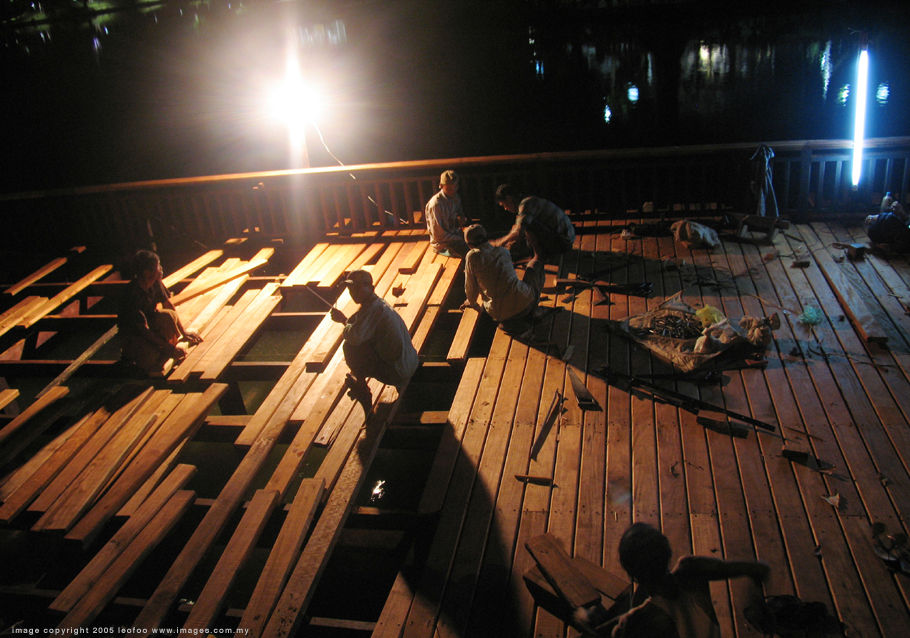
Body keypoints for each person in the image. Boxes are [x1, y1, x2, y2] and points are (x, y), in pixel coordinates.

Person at [610, 522, 769, 638]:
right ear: (667, 552)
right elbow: (755, 568)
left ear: (632, 574)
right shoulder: (692, 570)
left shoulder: (636, 621)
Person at [330, 269, 418, 405]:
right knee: (361, 341)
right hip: (409, 364)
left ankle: (362, 388)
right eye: (351, 289)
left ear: (371, 288)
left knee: (349, 347)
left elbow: (354, 337)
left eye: (357, 287)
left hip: (398, 372)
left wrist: (343, 320)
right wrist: (346, 321)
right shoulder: (378, 304)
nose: (353, 292)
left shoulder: (373, 309)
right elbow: (360, 326)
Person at [118, 250, 202, 375]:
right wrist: (169, 348)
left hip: (150, 328)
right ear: (147, 272)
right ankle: (140, 354)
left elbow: (169, 306)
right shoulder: (132, 294)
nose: (161, 269)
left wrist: (183, 332)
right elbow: (143, 330)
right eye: (158, 266)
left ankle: (161, 348)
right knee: (151, 360)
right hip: (134, 336)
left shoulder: (155, 283)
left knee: (169, 315)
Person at [461, 223, 545, 339]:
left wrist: (471, 302)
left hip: (501, 314)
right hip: (526, 303)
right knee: (534, 265)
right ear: (486, 237)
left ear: (469, 245)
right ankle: (533, 309)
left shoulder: (472, 257)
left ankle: (511, 323)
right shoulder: (503, 251)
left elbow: (471, 286)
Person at [492, 183, 575, 263]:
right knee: (519, 227)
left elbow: (518, 232)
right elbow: (516, 228)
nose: (505, 208)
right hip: (563, 239)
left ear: (509, 198)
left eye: (504, 205)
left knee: (528, 226)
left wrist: (498, 242)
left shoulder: (526, 204)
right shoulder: (526, 201)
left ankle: (539, 256)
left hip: (563, 242)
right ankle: (537, 253)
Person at [424, 169, 469, 257]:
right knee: (470, 254)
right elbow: (439, 236)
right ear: (441, 186)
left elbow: (460, 215)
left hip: (455, 236)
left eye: (455, 187)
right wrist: (461, 238)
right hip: (443, 245)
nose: (453, 191)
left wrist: (462, 219)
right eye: (449, 189)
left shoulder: (456, 197)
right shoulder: (435, 205)